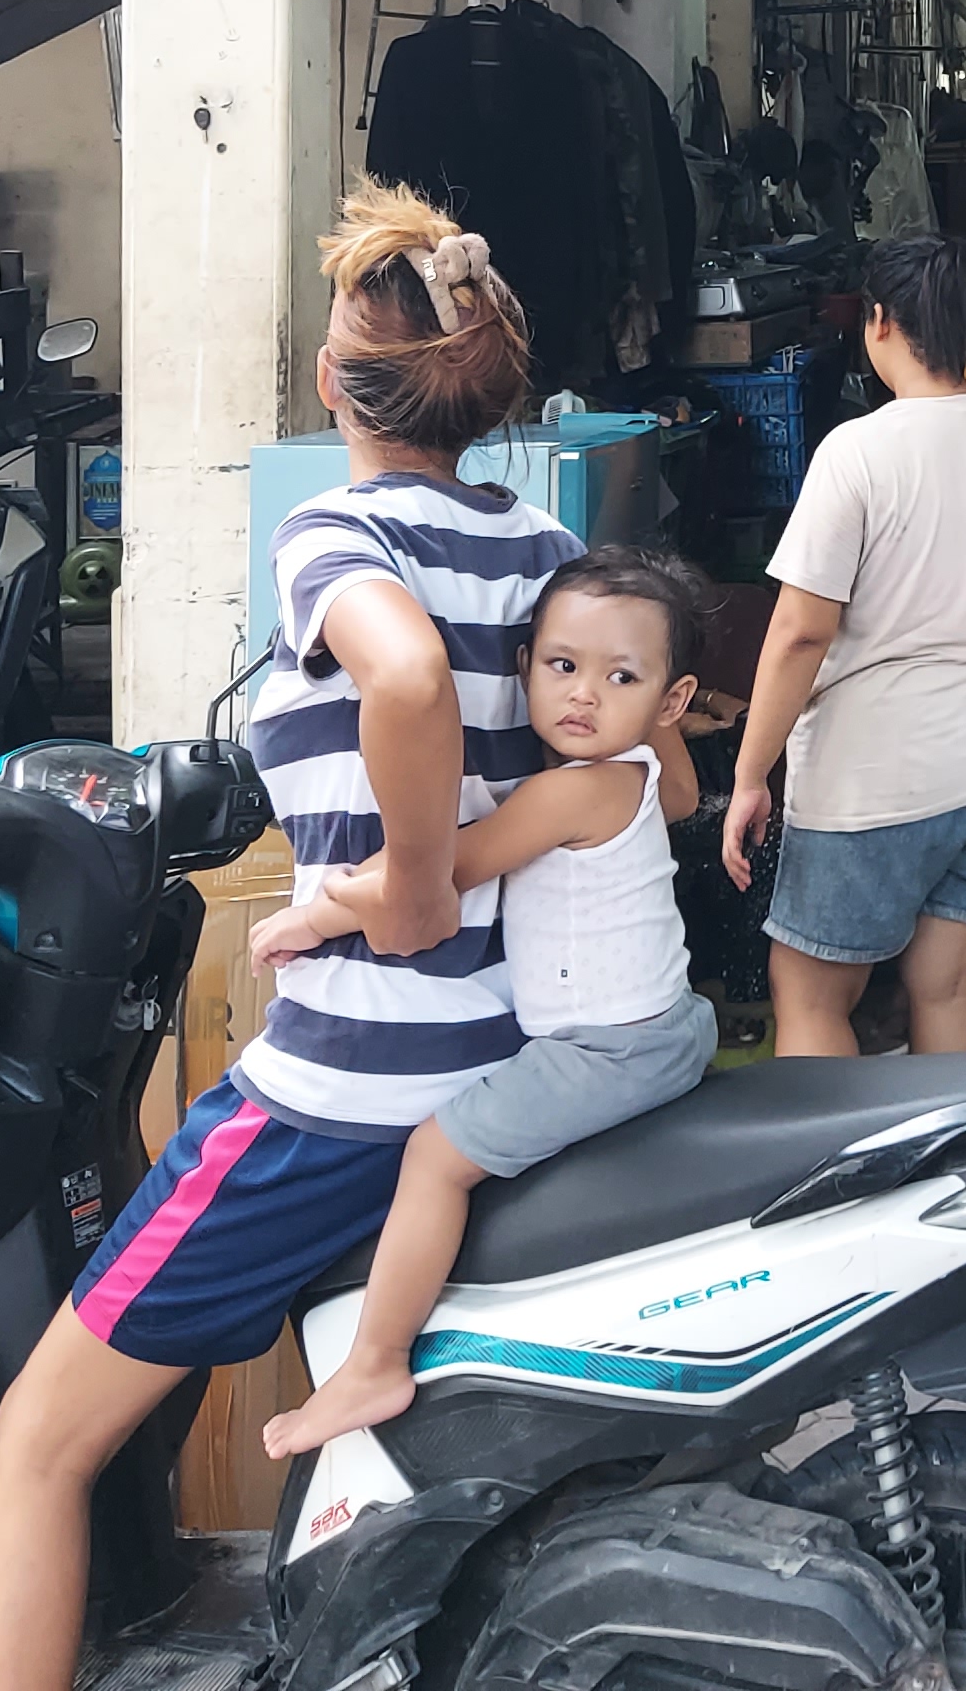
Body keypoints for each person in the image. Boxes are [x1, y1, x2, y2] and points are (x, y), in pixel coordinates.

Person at [0, 185, 572, 1691]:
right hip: (517, 1062)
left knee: (38, 1444)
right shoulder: (546, 539)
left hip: (349, 1099)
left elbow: (410, 678)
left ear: (330, 380)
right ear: (491, 390)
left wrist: (409, 887)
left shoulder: (335, 531)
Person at [252, 547, 717, 1461]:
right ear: (524, 669)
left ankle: (375, 1362)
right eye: (563, 667)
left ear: (672, 700)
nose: (583, 696)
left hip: (604, 1048)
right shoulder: (649, 775)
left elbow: (438, 870)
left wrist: (312, 917)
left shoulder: (566, 792)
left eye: (620, 677)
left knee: (434, 1157)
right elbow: (690, 793)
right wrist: (646, 710)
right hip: (662, 1027)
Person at [720, 229, 966, 1058]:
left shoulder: (858, 453)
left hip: (880, 776)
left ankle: (837, 1190)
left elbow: (802, 629)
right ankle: (957, 1178)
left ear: (878, 321)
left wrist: (748, 775)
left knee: (810, 996)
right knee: (949, 985)